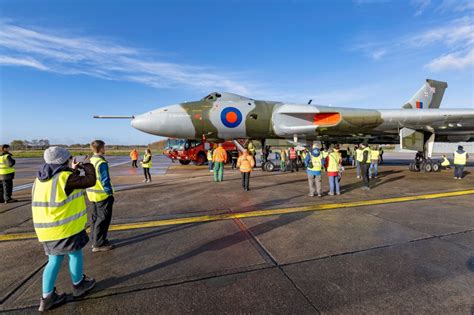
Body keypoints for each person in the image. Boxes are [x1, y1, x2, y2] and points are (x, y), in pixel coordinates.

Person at [32, 147, 96, 311]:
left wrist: (72, 170)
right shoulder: (65, 178)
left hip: (46, 229)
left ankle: (47, 297)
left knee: (54, 260)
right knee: (75, 254)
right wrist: (87, 164)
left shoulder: (40, 179)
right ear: (64, 161)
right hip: (65, 228)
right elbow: (90, 180)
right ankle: (79, 285)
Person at [86, 140, 114, 252]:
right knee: (103, 219)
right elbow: (105, 180)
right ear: (101, 148)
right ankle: (98, 244)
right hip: (102, 195)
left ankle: (96, 239)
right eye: (104, 147)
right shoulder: (101, 163)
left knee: (95, 218)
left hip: (92, 194)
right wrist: (109, 193)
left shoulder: (91, 160)